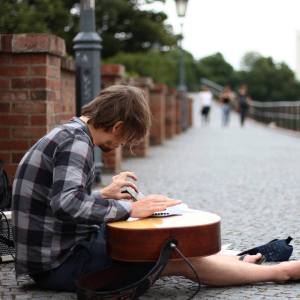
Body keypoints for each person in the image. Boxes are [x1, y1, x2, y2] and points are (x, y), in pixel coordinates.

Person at [12, 85, 300, 293]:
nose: (122, 146)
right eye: (127, 139)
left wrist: (105, 195)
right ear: (118, 126)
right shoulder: (76, 143)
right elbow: (66, 205)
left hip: (59, 252)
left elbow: (57, 201)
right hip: (59, 265)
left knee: (157, 237)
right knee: (170, 255)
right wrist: (130, 208)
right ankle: (280, 273)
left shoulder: (70, 134)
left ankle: (236, 262)